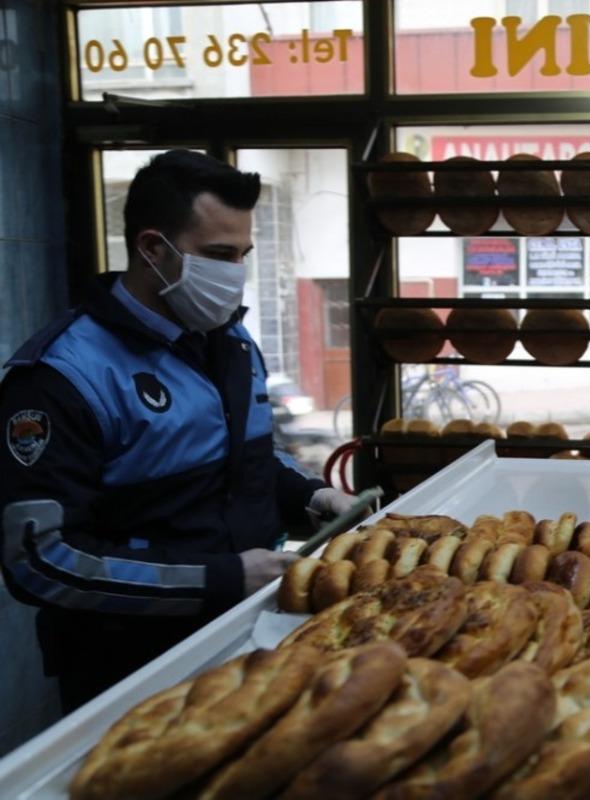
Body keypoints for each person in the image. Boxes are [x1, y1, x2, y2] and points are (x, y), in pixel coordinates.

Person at [0, 150, 357, 711]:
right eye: (219, 255)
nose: (235, 274)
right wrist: (218, 578)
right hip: (129, 668)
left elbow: (253, 456)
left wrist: (312, 495)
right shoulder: (60, 376)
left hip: (251, 636)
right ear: (152, 249)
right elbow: (40, 560)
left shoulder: (230, 341)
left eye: (243, 255)